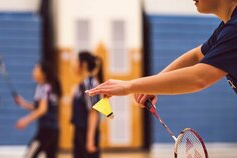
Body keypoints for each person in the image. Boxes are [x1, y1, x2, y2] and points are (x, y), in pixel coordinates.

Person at [87, 0, 237, 107]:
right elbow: (196, 55)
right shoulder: (226, 27)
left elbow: (199, 77)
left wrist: (129, 86)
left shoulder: (234, 29)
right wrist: (148, 87)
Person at [15, 62, 67, 158]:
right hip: (54, 130)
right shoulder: (49, 87)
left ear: (43, 73)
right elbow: (39, 107)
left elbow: (42, 110)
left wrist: (25, 120)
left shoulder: (43, 87)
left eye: (36, 69)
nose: (33, 71)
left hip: (46, 131)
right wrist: (23, 103)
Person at [71, 51, 110, 158]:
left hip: (87, 133)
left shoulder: (90, 83)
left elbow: (93, 112)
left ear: (84, 64)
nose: (73, 65)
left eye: (76, 62)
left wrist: (90, 139)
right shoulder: (82, 83)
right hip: (79, 132)